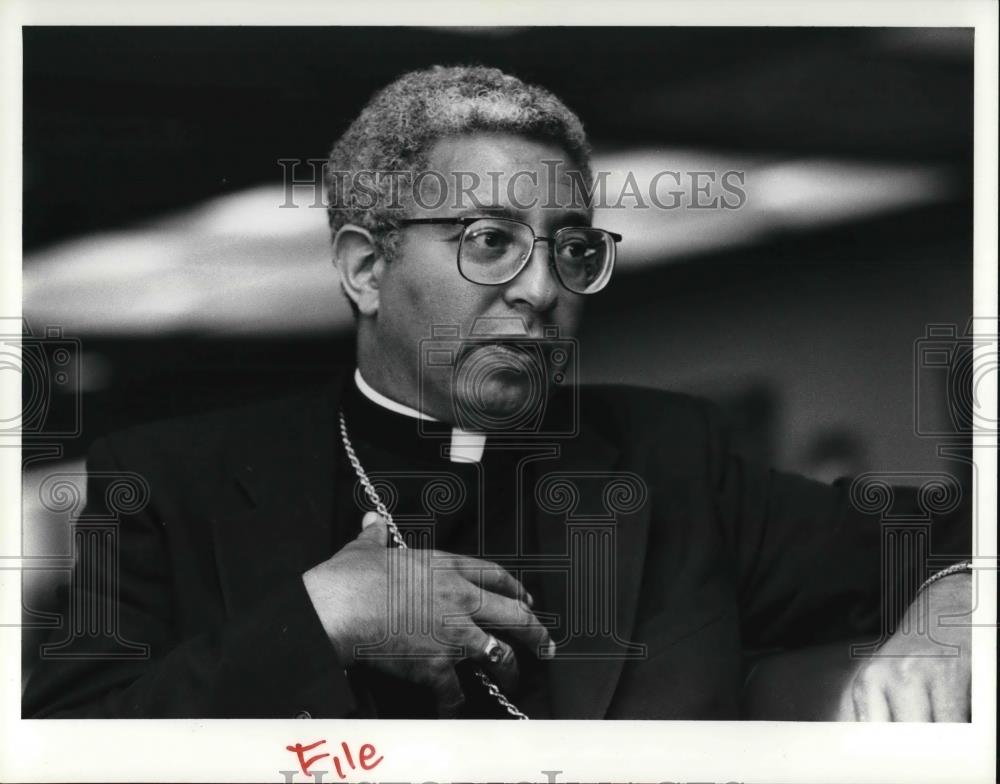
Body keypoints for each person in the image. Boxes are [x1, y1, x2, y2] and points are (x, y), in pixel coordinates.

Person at [23, 65, 972, 721]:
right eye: (488, 239)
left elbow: (946, 538)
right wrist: (317, 624)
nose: (542, 286)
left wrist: (949, 620)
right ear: (364, 268)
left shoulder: (675, 458)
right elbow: (60, 748)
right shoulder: (172, 483)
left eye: (570, 247)